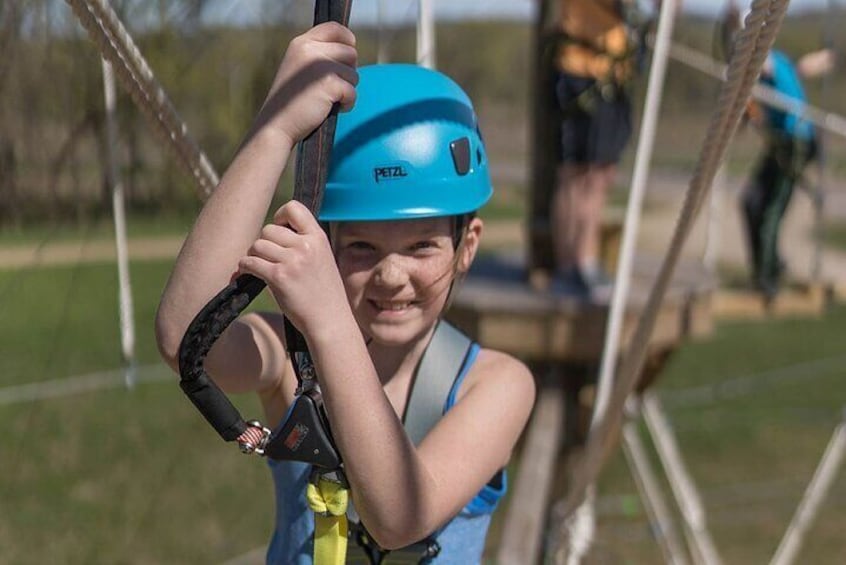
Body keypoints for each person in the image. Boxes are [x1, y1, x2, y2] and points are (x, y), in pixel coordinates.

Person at [154, 22, 535, 564]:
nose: (391, 275)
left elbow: (400, 517)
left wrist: (330, 320)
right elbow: (187, 339)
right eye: (360, 247)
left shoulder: (498, 385)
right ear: (324, 244)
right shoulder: (292, 360)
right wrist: (275, 131)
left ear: (466, 247)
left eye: (423, 246)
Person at [548, 0, 647, 299]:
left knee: (601, 174)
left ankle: (583, 262)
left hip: (612, 72)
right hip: (582, 70)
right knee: (579, 175)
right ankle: (575, 265)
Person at [740, 47, 828, 301]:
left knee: (771, 211)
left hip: (796, 144)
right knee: (749, 202)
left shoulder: (772, 63)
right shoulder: (770, 73)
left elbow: (764, 63)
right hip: (780, 143)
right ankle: (770, 265)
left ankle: (767, 278)